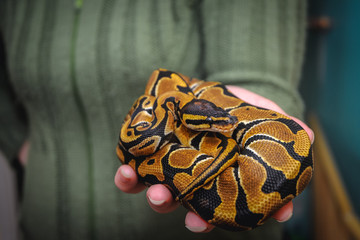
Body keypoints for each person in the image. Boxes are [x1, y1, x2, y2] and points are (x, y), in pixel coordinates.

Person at [0, 0, 313, 239]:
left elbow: (258, 71)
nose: (223, 124)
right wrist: (21, 145)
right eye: (212, 123)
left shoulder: (171, 101)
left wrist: (255, 108)